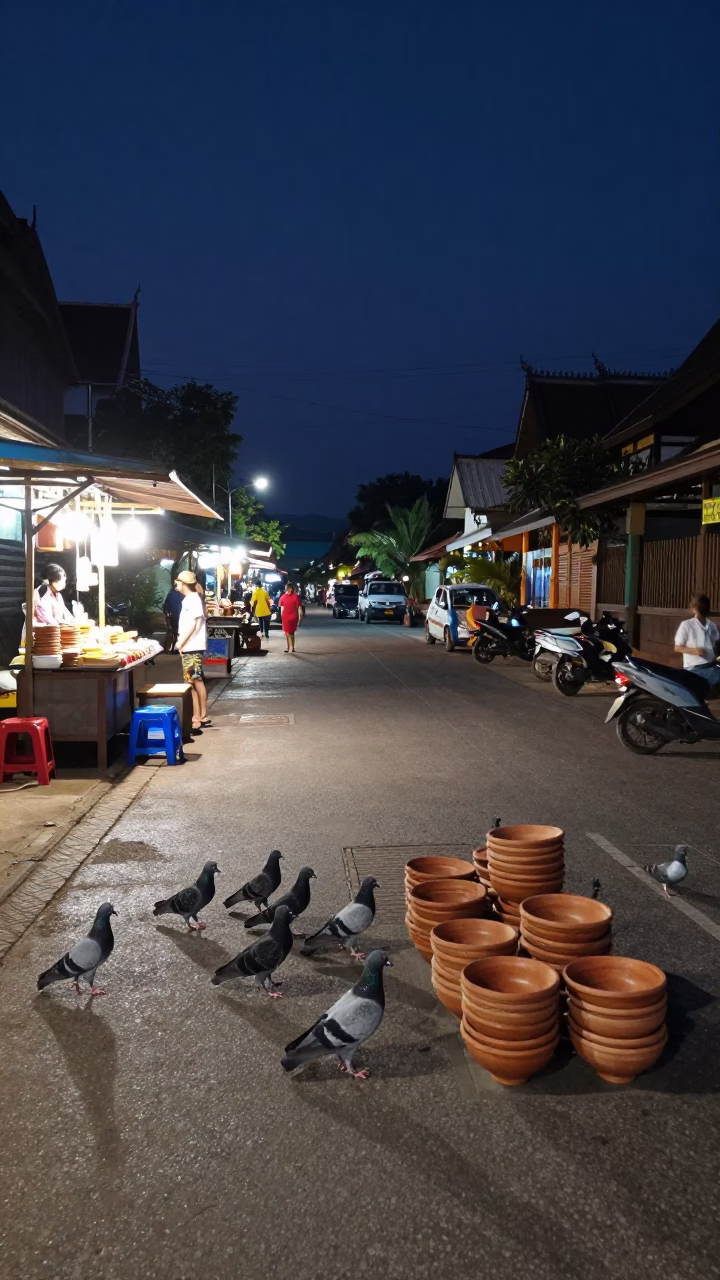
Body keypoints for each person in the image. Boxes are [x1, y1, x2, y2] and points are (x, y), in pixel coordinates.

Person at [175, 570, 210, 729]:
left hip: (192, 646)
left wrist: (182, 642)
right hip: (191, 646)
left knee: (195, 680)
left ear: (183, 583)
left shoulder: (193, 599)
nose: (176, 585)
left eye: (177, 582)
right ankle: (198, 715)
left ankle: (201, 716)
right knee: (192, 680)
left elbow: (194, 625)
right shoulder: (190, 599)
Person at [674, 593, 720, 690]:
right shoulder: (687, 625)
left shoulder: (712, 626)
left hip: (711, 665)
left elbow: (716, 644)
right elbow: (677, 647)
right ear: (694, 609)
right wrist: (694, 651)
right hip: (694, 669)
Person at [278, 582, 304, 653]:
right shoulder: (296, 597)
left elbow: (281, 610)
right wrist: (300, 620)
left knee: (287, 633)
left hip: (285, 617)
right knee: (292, 633)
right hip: (294, 617)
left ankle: (288, 647)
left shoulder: (282, 597)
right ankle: (292, 647)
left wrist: (282, 618)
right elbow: (300, 611)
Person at [162, 584, 184, 652]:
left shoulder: (170, 595)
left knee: (173, 632)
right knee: (179, 632)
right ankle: (176, 647)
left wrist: (167, 615)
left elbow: (165, 607)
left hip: (173, 616)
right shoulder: (184, 595)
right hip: (182, 616)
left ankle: (171, 648)